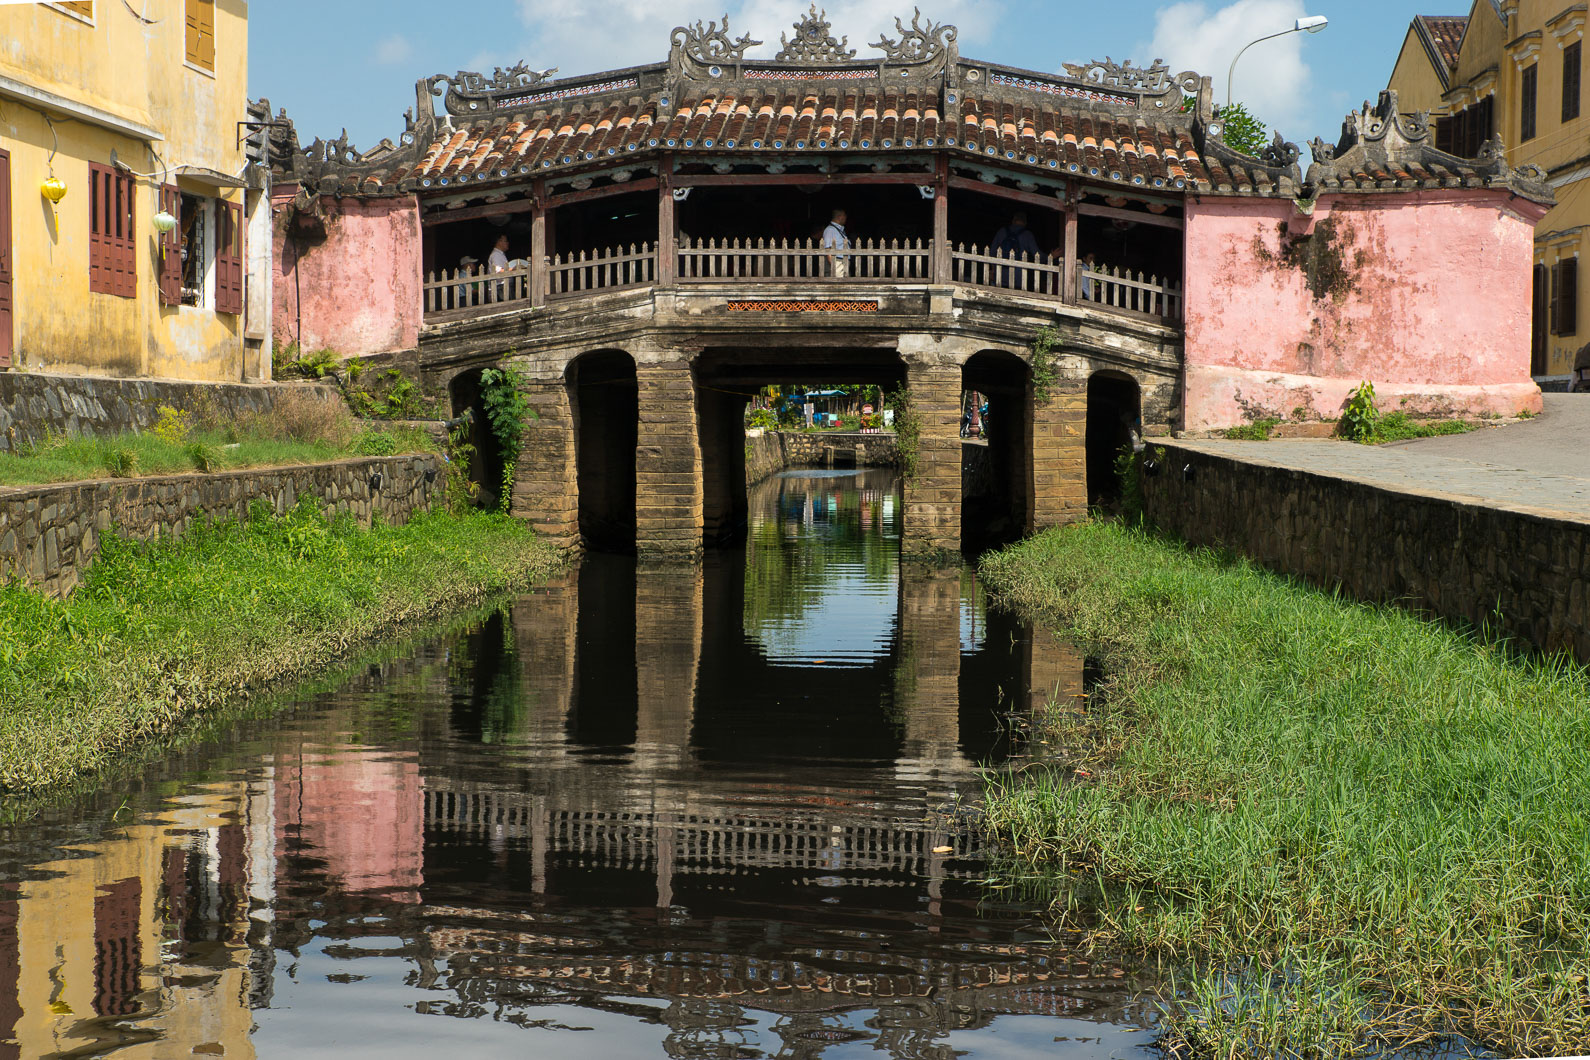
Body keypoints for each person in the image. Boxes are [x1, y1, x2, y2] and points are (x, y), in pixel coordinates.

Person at [991, 211, 1039, 289]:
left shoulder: (1002, 231)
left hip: (1000, 275)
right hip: (1018, 278)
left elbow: (992, 252)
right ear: (1025, 223)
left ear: (1013, 220)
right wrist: (1052, 256)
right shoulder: (1027, 235)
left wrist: (993, 271)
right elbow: (1037, 254)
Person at [821, 209, 850, 279]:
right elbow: (828, 250)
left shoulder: (839, 230)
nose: (846, 218)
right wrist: (834, 267)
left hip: (842, 263)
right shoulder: (830, 230)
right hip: (837, 263)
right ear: (840, 217)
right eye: (844, 216)